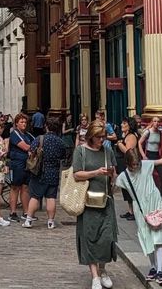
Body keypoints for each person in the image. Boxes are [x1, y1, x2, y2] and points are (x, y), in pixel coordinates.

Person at [115, 147, 162, 286]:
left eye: (137, 164)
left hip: (154, 205)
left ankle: (159, 270)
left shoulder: (145, 165)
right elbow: (114, 186)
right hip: (141, 209)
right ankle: (153, 267)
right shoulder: (124, 176)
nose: (136, 166)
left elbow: (160, 161)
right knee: (147, 239)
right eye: (133, 164)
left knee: (159, 237)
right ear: (128, 163)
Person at [73, 120, 118, 289]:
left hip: (106, 200)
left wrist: (112, 176)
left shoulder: (107, 151)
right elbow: (77, 174)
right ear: (91, 136)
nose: (101, 140)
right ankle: (95, 276)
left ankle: (103, 269)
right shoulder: (81, 151)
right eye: (98, 137)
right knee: (90, 238)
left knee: (107, 239)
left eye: (103, 136)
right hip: (87, 202)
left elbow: (114, 171)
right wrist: (96, 172)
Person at [22, 117, 67, 229]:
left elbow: (31, 150)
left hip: (39, 172)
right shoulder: (60, 142)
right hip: (53, 173)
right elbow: (63, 155)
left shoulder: (40, 139)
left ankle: (28, 220)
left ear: (46, 126)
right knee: (51, 197)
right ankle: (50, 221)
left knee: (35, 196)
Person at [139, 116, 162, 210]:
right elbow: (140, 143)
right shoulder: (148, 132)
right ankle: (144, 199)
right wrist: (143, 156)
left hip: (157, 157)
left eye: (158, 121)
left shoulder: (160, 132)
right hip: (149, 156)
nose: (156, 123)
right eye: (154, 121)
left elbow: (161, 145)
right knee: (146, 178)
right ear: (152, 122)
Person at [7, 112, 33, 222]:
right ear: (16, 123)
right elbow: (26, 147)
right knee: (15, 187)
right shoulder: (14, 134)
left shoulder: (28, 135)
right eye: (21, 122)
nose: (24, 124)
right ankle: (12, 212)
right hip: (17, 164)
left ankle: (26, 212)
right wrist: (33, 148)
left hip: (26, 164)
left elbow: (36, 143)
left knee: (25, 187)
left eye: (25, 122)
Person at [115, 116, 139, 220]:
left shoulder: (131, 136)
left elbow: (128, 152)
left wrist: (120, 144)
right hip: (122, 164)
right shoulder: (125, 135)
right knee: (126, 188)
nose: (121, 125)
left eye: (124, 123)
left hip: (127, 165)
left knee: (130, 188)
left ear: (129, 126)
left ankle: (134, 212)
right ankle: (130, 211)